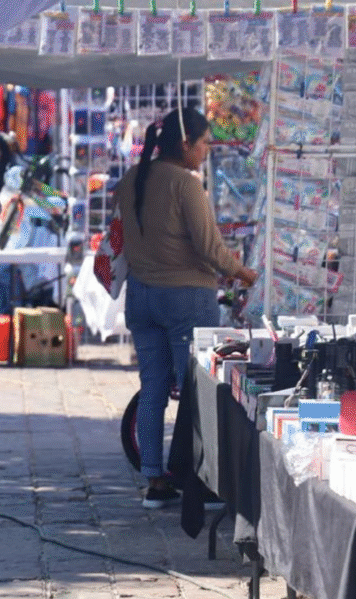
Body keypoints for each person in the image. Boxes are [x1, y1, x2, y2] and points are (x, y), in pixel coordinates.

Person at [113, 105, 257, 508]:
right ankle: (202, 482)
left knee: (154, 390)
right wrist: (248, 275)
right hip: (185, 300)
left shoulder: (130, 180)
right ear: (185, 143)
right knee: (198, 393)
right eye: (205, 142)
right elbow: (211, 249)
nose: (207, 150)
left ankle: (154, 482)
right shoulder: (185, 184)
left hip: (141, 297)